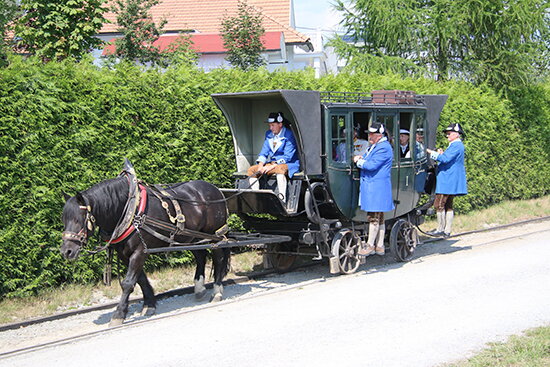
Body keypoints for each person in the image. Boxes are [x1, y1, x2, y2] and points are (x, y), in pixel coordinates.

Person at [353, 122, 395, 256]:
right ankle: (380, 246)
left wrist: (357, 161)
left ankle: (370, 245)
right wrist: (362, 158)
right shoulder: (376, 146)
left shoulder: (384, 147)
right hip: (374, 185)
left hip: (376, 186)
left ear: (379, 135)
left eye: (372, 134)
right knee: (380, 217)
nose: (369, 136)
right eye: (369, 134)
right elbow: (368, 159)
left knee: (373, 217)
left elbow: (371, 165)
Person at [247, 112, 300, 202]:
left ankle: (282, 200)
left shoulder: (289, 135)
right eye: (269, 125)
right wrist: (260, 166)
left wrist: (271, 166)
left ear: (280, 124)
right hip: (272, 164)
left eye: (273, 125)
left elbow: (287, 157)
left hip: (288, 163)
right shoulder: (268, 134)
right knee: (251, 170)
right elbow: (264, 152)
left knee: (279, 170)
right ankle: (257, 200)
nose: (270, 128)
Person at [426, 123, 468, 237]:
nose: (447, 136)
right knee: (448, 205)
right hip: (450, 178)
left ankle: (441, 229)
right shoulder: (456, 145)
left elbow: (445, 159)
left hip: (448, 179)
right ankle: (447, 230)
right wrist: (441, 154)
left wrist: (432, 153)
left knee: (439, 204)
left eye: (449, 134)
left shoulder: (456, 145)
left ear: (456, 134)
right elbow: (448, 158)